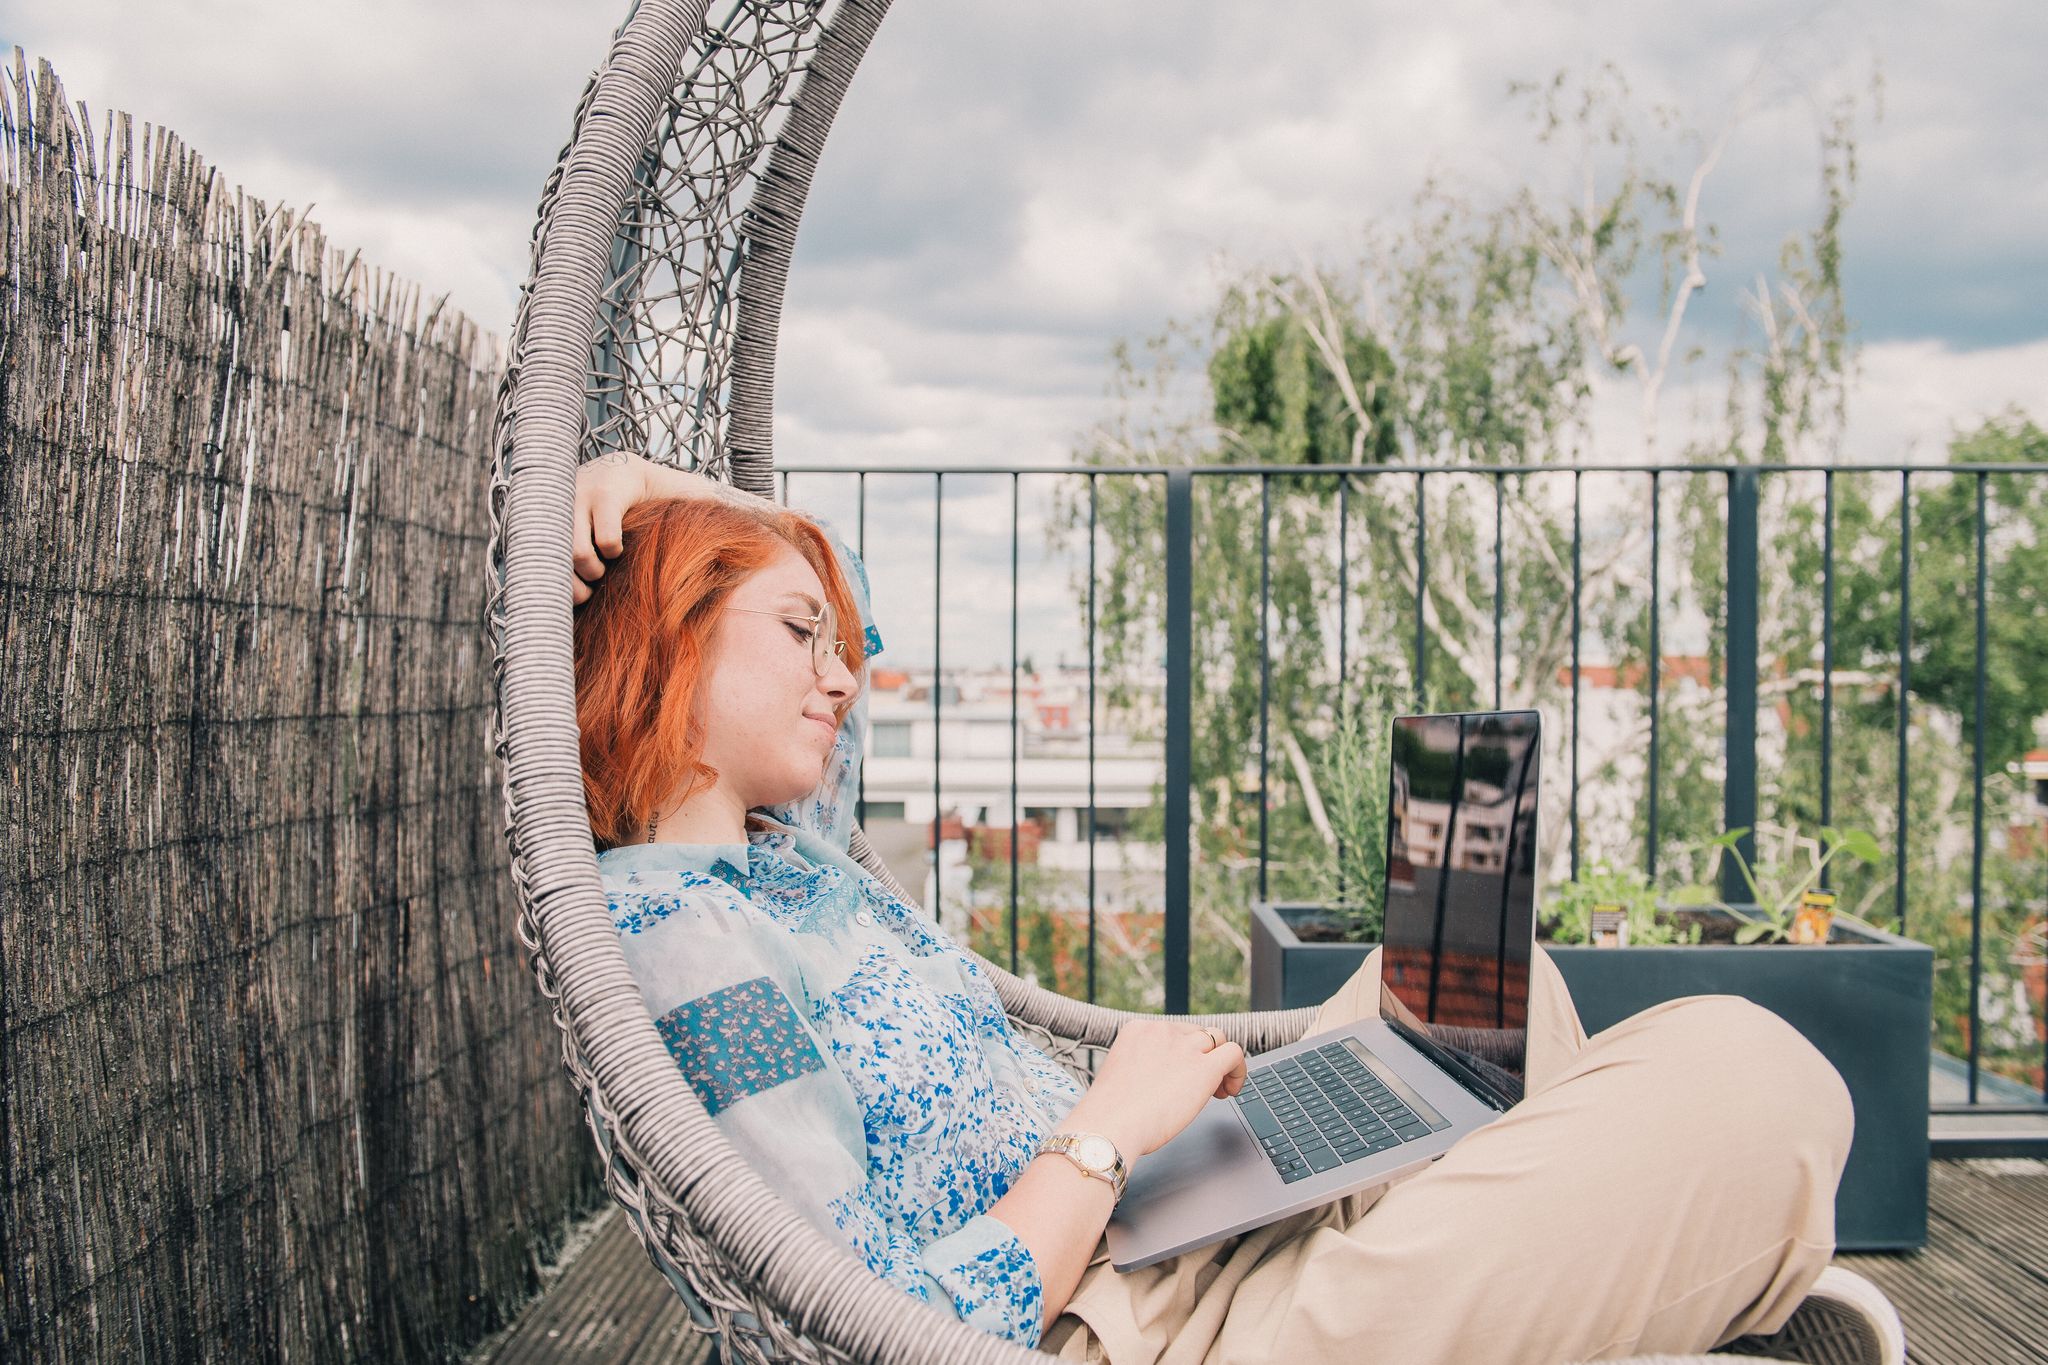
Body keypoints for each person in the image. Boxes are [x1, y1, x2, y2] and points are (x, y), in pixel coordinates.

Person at [568, 453, 1900, 1365]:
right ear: (672, 632)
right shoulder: (688, 944)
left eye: (837, 642)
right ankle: (1663, 1276)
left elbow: (828, 572)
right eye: (799, 634)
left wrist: (667, 489)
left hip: (1166, 1222)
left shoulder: (783, 856)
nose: (843, 673)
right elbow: (876, 1323)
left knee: (1486, 1001)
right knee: (1752, 1067)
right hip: (1118, 1325)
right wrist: (1106, 1133)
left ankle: (1614, 1272)